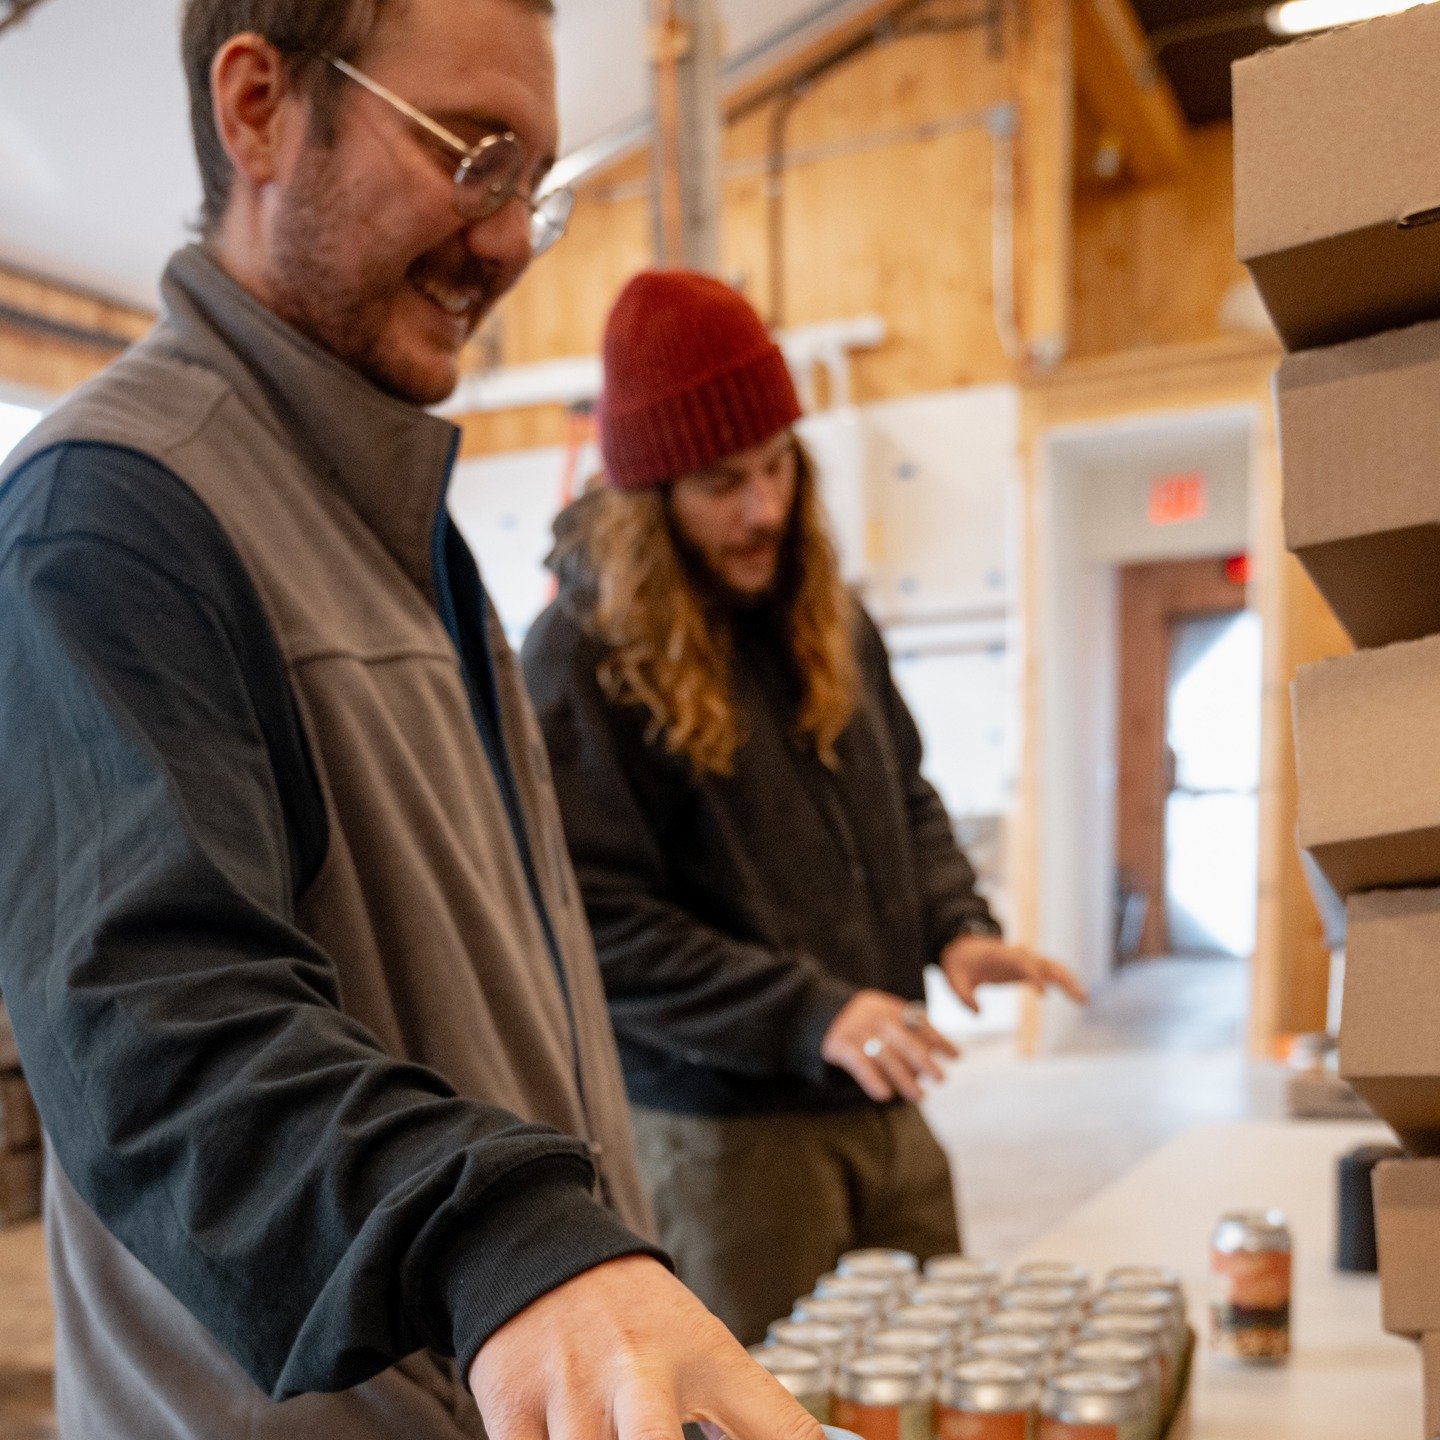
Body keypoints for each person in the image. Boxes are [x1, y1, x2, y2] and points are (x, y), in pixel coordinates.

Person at [0, 8, 825, 1440]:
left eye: (535, 183)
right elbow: (160, 1028)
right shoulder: (111, 512)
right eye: (474, 155)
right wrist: (500, 1236)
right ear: (258, 108)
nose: (507, 239)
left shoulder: (402, 524)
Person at [522, 270, 1087, 1345]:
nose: (765, 510)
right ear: (650, 500)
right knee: (767, 1406)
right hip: (729, 1138)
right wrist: (810, 1013)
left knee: (923, 1378)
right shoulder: (579, 659)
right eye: (722, 483)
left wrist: (955, 924)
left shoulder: (828, 616)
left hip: (881, 1095)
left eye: (779, 465)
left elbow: (903, 795)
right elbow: (598, 929)